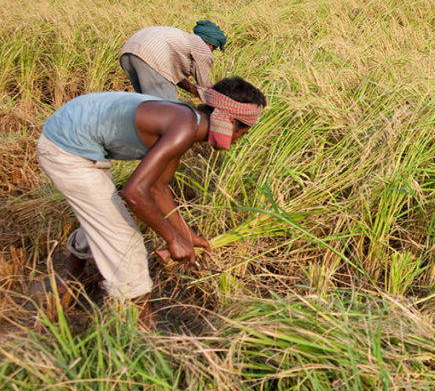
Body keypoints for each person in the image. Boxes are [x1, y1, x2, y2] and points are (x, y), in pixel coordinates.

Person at [36, 77, 266, 324]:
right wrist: (173, 239)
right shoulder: (184, 128)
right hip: (66, 150)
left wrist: (185, 233)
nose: (239, 139)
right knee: (127, 243)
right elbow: (134, 192)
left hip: (79, 137)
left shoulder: (188, 121)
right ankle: (140, 335)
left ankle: (69, 282)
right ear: (230, 121)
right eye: (243, 131)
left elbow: (158, 188)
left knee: (105, 219)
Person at [120, 20, 227, 100]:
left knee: (146, 105)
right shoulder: (203, 48)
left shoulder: (184, 40)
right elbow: (204, 87)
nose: (211, 51)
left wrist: (194, 91)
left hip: (129, 51)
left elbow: (175, 78)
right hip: (151, 55)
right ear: (210, 44)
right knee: (166, 110)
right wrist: (215, 99)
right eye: (214, 48)